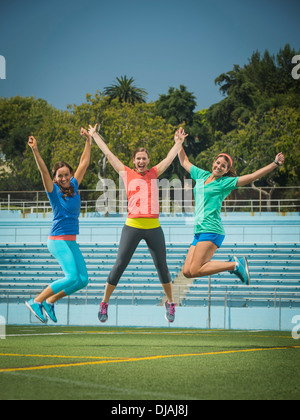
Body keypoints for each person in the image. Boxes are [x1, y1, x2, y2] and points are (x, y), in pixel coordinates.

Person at [88, 124, 188, 323]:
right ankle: (104, 302)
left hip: (153, 227)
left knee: (162, 267)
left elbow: (168, 160)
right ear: (133, 161)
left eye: (144, 158)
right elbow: (108, 154)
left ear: (148, 161)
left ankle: (170, 303)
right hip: (132, 226)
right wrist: (95, 135)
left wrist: (178, 143)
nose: (141, 161)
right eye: (138, 158)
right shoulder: (126, 173)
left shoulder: (154, 172)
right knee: (120, 265)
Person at [178, 135, 285, 284]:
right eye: (218, 163)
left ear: (227, 170)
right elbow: (184, 161)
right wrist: (179, 143)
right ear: (213, 162)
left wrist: (274, 164)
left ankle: (235, 264)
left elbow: (253, 176)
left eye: (223, 166)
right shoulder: (201, 175)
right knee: (187, 272)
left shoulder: (225, 182)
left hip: (211, 229)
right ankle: (234, 264)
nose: (219, 167)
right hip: (199, 230)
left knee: (196, 270)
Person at [25, 128, 92, 323]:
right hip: (58, 240)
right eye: (59, 176)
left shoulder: (75, 186)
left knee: (82, 280)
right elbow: (43, 171)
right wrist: (35, 150)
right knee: (71, 277)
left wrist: (88, 141)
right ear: (55, 178)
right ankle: (37, 300)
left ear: (71, 176)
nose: (63, 178)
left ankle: (50, 301)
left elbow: (84, 162)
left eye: (66, 175)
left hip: (71, 241)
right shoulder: (53, 191)